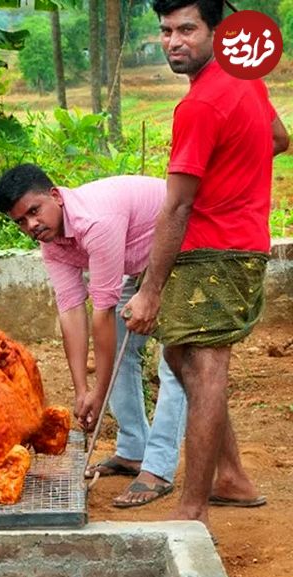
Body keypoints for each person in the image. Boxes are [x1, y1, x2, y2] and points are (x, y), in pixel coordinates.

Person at [123, 0, 288, 524]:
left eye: (187, 29)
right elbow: (279, 139)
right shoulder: (245, 83)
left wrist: (148, 291)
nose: (174, 41)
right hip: (235, 243)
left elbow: (177, 204)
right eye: (167, 30)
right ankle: (232, 477)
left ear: (217, 31)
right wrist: (239, 174)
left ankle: (192, 510)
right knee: (180, 358)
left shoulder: (199, 107)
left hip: (217, 249)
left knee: (207, 365)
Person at [0, 164, 188, 507]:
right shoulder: (52, 242)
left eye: (34, 212)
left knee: (178, 359)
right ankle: (132, 451)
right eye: (20, 221)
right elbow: (70, 311)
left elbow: (102, 312)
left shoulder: (96, 222)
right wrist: (83, 390)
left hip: (188, 248)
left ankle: (158, 467)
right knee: (120, 347)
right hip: (143, 262)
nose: (31, 226)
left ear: (55, 196)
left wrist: (99, 393)